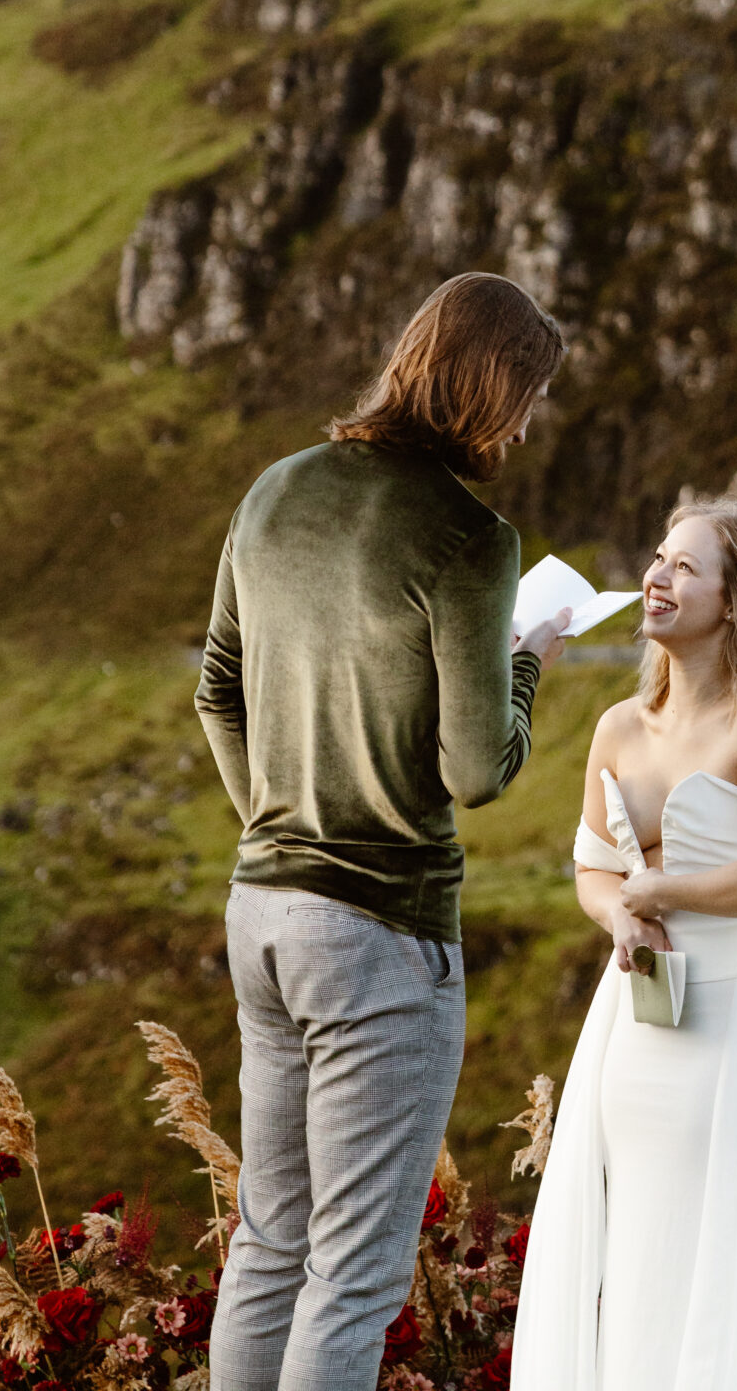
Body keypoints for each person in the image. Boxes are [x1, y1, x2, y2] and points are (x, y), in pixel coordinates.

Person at [195, 272, 573, 1391]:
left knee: (268, 1241)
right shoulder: (469, 539)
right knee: (355, 1272)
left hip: (261, 907)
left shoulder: (273, 490)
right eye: (531, 395)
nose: (528, 422)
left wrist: (278, 816)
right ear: (493, 390)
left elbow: (218, 685)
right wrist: (527, 663)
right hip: (381, 930)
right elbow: (476, 768)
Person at [511, 495, 737, 1391]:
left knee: (719, 1269)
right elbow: (590, 872)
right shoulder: (618, 726)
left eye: (686, 567)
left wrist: (661, 888)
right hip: (639, 1030)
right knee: (633, 1259)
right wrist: (621, 914)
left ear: (735, 601)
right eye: (658, 558)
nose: (657, 576)